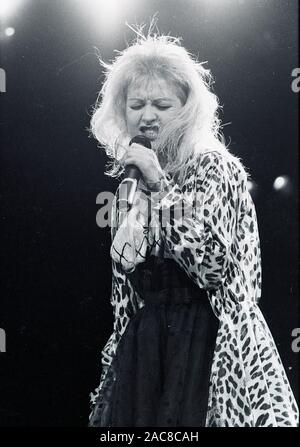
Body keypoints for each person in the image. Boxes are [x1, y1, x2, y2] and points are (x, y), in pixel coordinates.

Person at [88, 28, 299, 427]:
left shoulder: (213, 167)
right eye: (137, 104)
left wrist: (161, 187)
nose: (147, 115)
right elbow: (123, 295)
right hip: (147, 351)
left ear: (185, 109)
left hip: (208, 342)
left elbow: (212, 265)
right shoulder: (129, 186)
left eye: (161, 104)